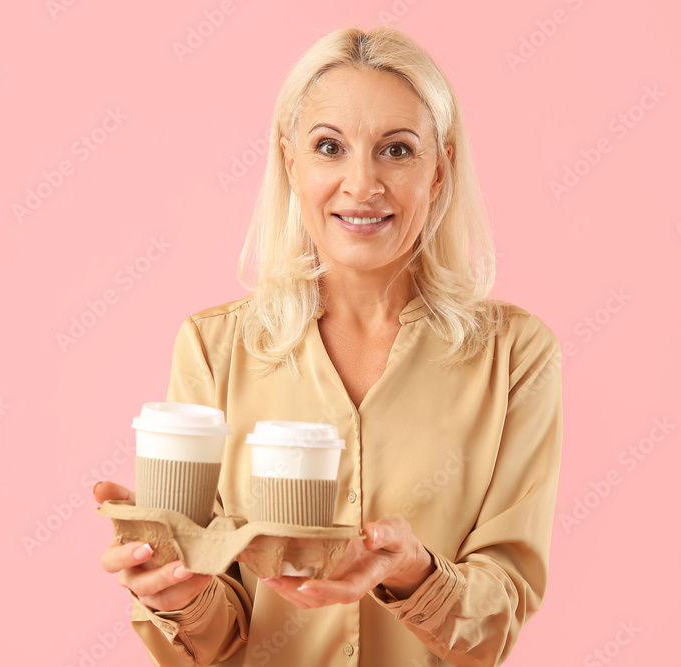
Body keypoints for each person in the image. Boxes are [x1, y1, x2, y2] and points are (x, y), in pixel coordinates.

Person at [94, 26, 563, 667]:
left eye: (396, 150)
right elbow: (221, 638)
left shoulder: (516, 356)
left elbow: (493, 623)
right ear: (292, 164)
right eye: (329, 147)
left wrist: (416, 574)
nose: (361, 183)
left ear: (439, 170)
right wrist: (177, 594)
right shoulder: (211, 349)